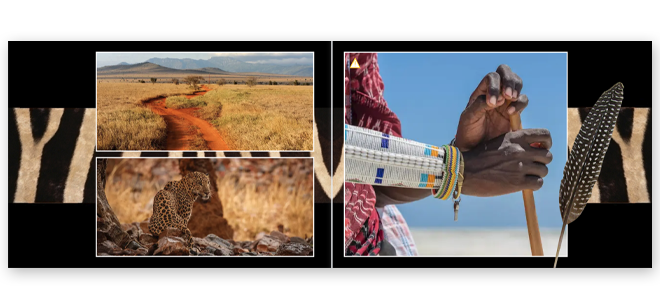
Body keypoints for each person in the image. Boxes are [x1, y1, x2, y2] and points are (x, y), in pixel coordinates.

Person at [344, 53, 553, 256]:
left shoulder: (356, 58)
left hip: (373, 236)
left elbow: (376, 177)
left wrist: (461, 154)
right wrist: (457, 169)